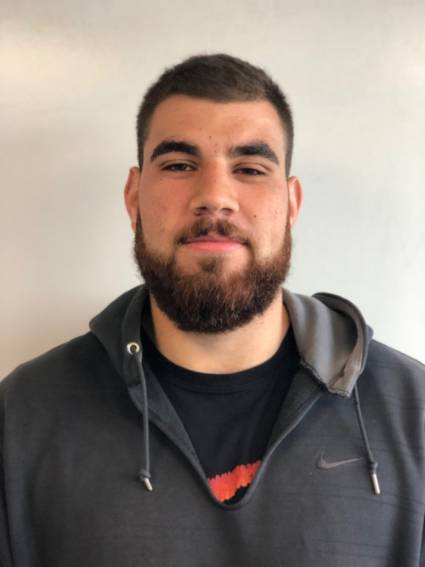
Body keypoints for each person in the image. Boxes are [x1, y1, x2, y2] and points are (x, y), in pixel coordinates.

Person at [1, 54, 424, 567]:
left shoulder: (414, 413)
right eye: (180, 165)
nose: (215, 197)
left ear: (292, 204)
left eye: (250, 169)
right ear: (134, 197)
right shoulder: (22, 418)